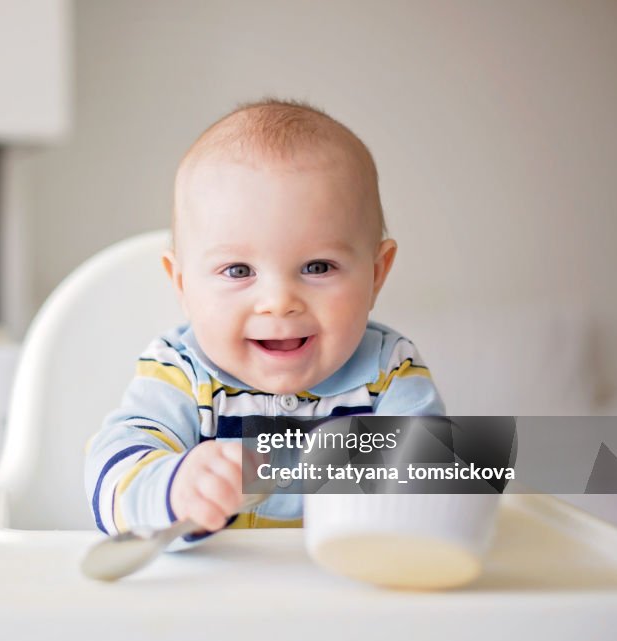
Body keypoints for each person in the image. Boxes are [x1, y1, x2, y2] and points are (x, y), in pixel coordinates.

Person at [84, 98, 445, 545]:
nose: (278, 303)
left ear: (376, 274)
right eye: (238, 271)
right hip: (212, 603)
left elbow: (433, 486)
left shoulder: (388, 371)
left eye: (317, 267)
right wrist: (174, 486)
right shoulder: (180, 372)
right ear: (181, 284)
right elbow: (111, 477)